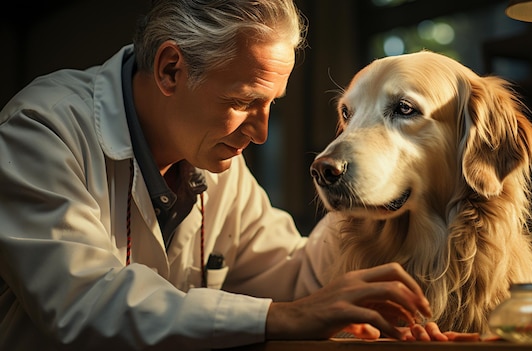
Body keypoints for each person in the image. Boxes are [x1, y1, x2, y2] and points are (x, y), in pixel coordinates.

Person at [0, 1, 476, 350]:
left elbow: (294, 276)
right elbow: (83, 303)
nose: (262, 131)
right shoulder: (41, 129)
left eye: (272, 105)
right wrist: (280, 317)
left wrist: (364, 183)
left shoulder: (216, 161)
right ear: (170, 70)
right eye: (244, 102)